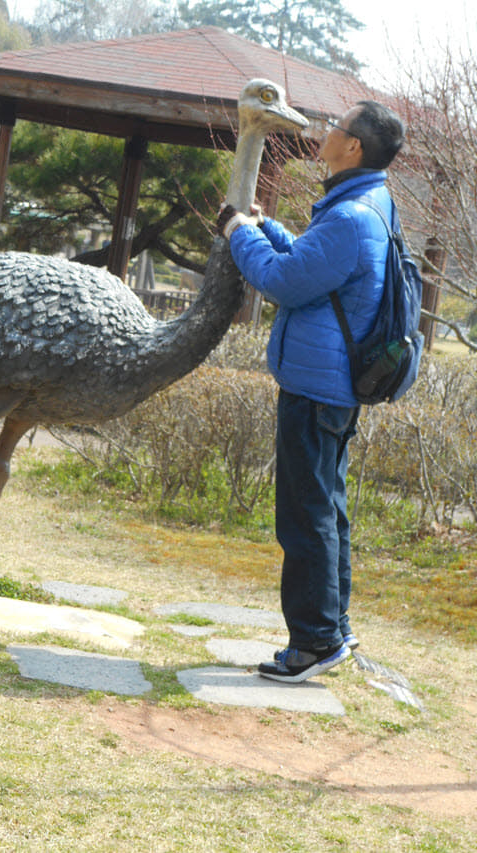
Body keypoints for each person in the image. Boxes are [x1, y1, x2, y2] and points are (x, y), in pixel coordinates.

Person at [217, 100, 405, 683]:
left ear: (354, 148)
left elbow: (282, 279)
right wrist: (267, 227)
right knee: (328, 509)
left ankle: (314, 642)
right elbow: (314, 262)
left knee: (304, 516)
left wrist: (235, 232)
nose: (326, 133)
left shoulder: (350, 216)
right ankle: (335, 628)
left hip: (318, 389)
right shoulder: (367, 203)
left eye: (337, 128)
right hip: (332, 385)